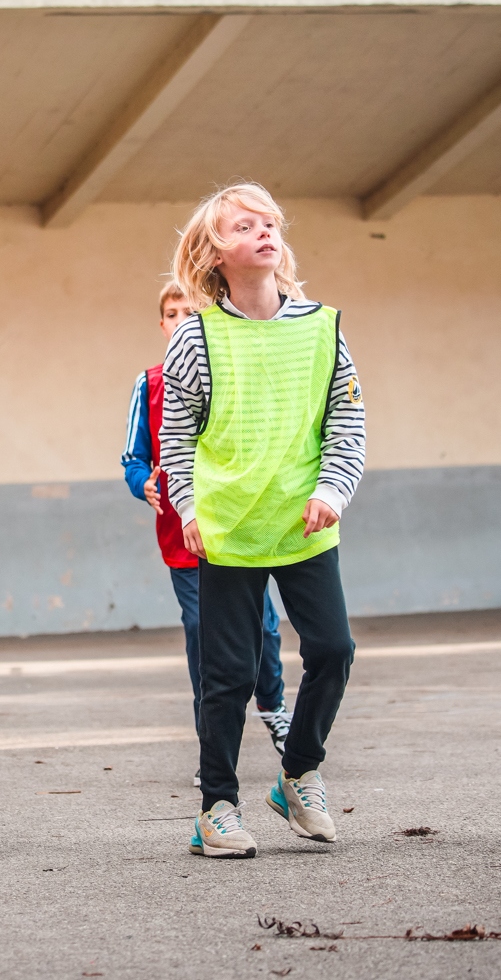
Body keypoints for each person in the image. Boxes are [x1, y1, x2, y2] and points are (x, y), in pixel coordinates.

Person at [161, 182, 365, 859]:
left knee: (333, 650)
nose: (265, 232)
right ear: (214, 252)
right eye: (244, 226)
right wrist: (188, 507)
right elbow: (176, 437)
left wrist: (332, 490)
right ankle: (217, 809)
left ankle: (298, 773)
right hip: (228, 530)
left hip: (305, 524)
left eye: (270, 222)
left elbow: (347, 422)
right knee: (229, 677)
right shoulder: (195, 337)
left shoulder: (322, 327)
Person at [121, 280, 291, 788]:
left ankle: (274, 706)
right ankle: (212, 748)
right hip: (185, 540)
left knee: (263, 628)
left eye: (188, 312)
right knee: (204, 637)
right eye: (171, 313)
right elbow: (134, 458)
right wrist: (142, 483)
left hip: (243, 530)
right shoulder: (149, 384)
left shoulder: (233, 373)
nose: (180, 321)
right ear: (162, 325)